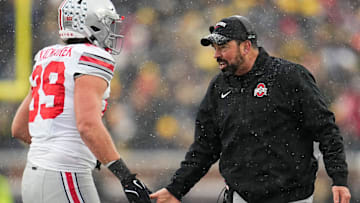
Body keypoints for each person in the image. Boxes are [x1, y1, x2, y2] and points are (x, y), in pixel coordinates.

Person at [150, 15, 351, 203]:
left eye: (223, 47)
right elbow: (205, 148)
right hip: (241, 197)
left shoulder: (289, 76)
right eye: (214, 48)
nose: (216, 55)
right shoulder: (218, 87)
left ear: (246, 46)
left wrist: (339, 177)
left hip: (292, 198)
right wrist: (176, 188)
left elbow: (326, 129)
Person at [11, 0, 151, 202]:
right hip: (66, 174)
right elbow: (87, 126)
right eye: (107, 23)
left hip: (32, 176)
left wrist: (54, 149)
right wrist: (126, 178)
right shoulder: (91, 56)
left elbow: (19, 128)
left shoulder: (46, 56)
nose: (111, 30)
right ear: (92, 24)